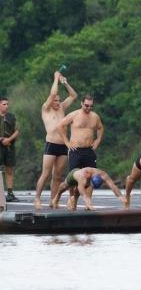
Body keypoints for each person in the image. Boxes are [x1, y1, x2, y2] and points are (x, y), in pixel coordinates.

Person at [33, 71, 78, 209]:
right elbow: (52, 94)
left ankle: (53, 200)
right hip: (51, 145)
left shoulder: (61, 108)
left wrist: (64, 82)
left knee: (57, 176)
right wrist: (55, 78)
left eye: (59, 100)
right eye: (55, 101)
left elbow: (73, 95)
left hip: (62, 145)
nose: (58, 102)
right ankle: (37, 198)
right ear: (50, 101)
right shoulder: (45, 109)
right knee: (45, 174)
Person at [57, 95, 104, 171]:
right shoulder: (74, 115)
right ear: (82, 103)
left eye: (91, 106)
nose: (89, 108)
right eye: (86, 105)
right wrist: (66, 142)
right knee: (74, 177)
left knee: (90, 175)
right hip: (76, 150)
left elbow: (100, 128)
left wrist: (98, 140)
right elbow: (60, 126)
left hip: (89, 150)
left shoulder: (95, 116)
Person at [50, 167, 126, 211]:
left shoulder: (103, 174)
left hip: (86, 179)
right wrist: (89, 205)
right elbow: (83, 194)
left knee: (76, 194)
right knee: (64, 187)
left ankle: (74, 206)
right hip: (74, 175)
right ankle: (57, 197)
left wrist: (121, 196)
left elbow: (113, 186)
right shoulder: (82, 176)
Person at [0, 96, 20, 202]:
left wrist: (9, 140)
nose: (6, 106)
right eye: (4, 104)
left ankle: (10, 193)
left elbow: (17, 130)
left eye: (7, 104)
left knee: (9, 170)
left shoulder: (12, 116)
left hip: (9, 146)